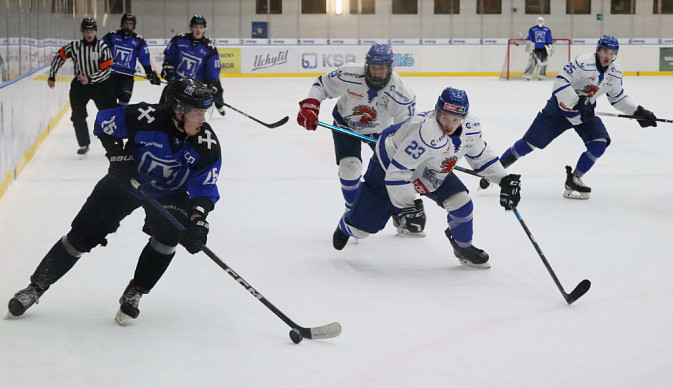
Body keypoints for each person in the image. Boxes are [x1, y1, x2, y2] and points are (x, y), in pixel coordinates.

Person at [6, 78, 222, 326]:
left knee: (168, 237)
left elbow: (204, 187)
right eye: (197, 113)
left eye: (205, 112)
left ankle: (136, 291)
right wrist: (118, 155)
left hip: (169, 193)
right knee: (81, 236)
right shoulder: (144, 116)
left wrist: (197, 221)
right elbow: (103, 122)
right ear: (178, 110)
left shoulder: (206, 145)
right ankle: (36, 287)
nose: (203, 120)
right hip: (126, 182)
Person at [332, 87, 522, 269]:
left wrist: (503, 180)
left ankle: (463, 247)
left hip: (432, 166)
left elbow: (480, 155)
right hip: (388, 165)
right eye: (444, 117)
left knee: (461, 202)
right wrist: (407, 204)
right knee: (362, 229)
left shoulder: (471, 127)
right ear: (437, 111)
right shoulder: (425, 131)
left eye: (455, 119)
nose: (448, 124)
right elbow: (397, 173)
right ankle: (346, 225)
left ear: (463, 118)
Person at [479, 35, 658, 199]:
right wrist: (576, 101)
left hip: (584, 113)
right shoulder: (582, 63)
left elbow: (617, 98)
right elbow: (560, 81)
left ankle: (574, 178)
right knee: (529, 144)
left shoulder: (615, 73)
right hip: (559, 109)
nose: (608, 56)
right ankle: (496, 171)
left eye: (612, 53)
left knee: (599, 142)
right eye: (605, 51)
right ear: (598, 50)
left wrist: (637, 112)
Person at [297, 43, 417, 232]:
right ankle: (353, 209)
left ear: (390, 68)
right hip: (346, 125)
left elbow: (405, 128)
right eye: (374, 67)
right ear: (367, 65)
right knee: (349, 168)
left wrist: (402, 150)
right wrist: (310, 105)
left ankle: (399, 212)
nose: (377, 72)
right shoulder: (349, 74)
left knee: (393, 174)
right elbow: (321, 85)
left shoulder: (401, 92)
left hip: (381, 132)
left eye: (382, 68)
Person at [48, 17, 117, 156]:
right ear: (82, 32)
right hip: (80, 86)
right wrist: (52, 75)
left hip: (100, 85)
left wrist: (90, 79)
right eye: (86, 30)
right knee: (77, 116)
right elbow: (60, 56)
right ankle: (84, 143)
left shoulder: (103, 48)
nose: (89, 33)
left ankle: (115, 142)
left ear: (96, 31)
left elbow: (106, 71)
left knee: (109, 114)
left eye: (91, 30)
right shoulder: (75, 46)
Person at [161, 15, 226, 116]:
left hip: (194, 86)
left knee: (190, 114)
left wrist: (212, 83)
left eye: (201, 27)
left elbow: (213, 68)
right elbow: (169, 57)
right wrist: (168, 69)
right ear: (191, 27)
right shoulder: (179, 40)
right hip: (177, 82)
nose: (198, 30)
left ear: (205, 29)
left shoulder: (209, 47)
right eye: (196, 27)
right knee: (164, 107)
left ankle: (219, 104)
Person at [102, 13, 162, 106]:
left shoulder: (138, 41)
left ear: (133, 26)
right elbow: (100, 50)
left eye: (130, 24)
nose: (128, 26)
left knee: (125, 97)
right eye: (126, 23)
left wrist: (149, 73)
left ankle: (120, 117)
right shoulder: (111, 36)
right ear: (122, 24)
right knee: (109, 101)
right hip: (111, 74)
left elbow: (144, 58)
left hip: (127, 77)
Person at [523, 16, 554, 80]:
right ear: (537, 21)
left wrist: (550, 45)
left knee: (543, 63)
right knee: (532, 62)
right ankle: (528, 75)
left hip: (544, 49)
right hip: (535, 49)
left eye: (541, 21)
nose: (540, 22)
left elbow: (549, 38)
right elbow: (530, 38)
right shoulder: (532, 29)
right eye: (539, 21)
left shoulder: (547, 30)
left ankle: (541, 75)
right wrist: (529, 46)